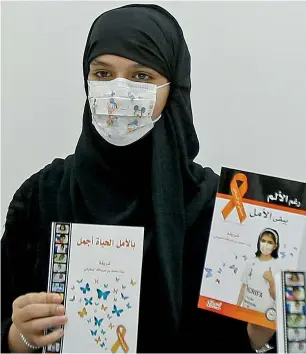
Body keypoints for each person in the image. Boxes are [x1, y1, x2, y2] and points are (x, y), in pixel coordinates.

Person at [1, 4, 275, 353]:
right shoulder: (41, 196)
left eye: (141, 76)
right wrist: (17, 337)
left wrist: (258, 336)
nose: (118, 91)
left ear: (172, 89)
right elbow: (6, 317)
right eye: (102, 74)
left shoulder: (221, 213)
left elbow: (237, 338)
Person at [237, 228, 280, 314]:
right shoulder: (251, 261)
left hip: (263, 314)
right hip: (246, 310)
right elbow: (244, 286)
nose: (265, 245)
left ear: (275, 246)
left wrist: (271, 281)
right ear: (259, 242)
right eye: (263, 241)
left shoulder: (276, 266)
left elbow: (276, 297)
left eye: (270, 242)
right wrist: (237, 306)